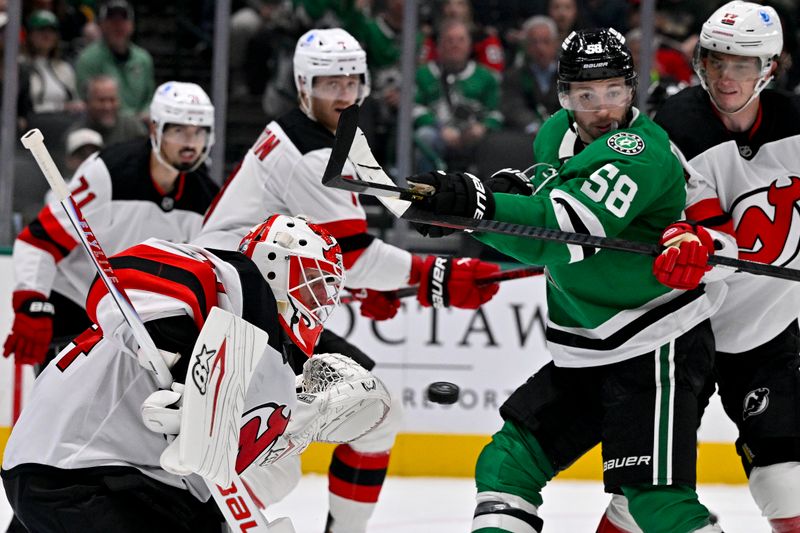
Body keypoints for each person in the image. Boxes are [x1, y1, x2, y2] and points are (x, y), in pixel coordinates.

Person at [405, 28, 730, 533]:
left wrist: (475, 208)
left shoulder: (639, 149)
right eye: (585, 95)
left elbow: (565, 232)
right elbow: (552, 182)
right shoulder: (555, 131)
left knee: (656, 504)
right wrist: (507, 191)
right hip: (585, 344)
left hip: (655, 344)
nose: (602, 109)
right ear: (564, 97)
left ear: (632, 90)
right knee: (506, 464)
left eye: (614, 92)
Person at [196, 27, 501, 533]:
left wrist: (369, 286)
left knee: (372, 416)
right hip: (245, 313)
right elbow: (353, 253)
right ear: (301, 86)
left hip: (251, 302)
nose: (342, 94)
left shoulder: (331, 137)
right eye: (327, 83)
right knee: (293, 451)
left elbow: (362, 224)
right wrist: (438, 274)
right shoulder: (313, 153)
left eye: (350, 81)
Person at [1, 214, 368, 533]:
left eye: (326, 290)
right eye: (314, 282)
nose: (320, 301)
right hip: (73, 469)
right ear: (274, 264)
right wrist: (181, 353)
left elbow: (214, 455)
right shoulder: (234, 283)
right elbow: (122, 277)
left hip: (134, 479)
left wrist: (301, 418)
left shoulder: (272, 363)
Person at [597, 3, 800, 532]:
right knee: (641, 494)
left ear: (770, 68)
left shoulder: (798, 127)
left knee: (787, 483)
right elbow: (715, 235)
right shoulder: (679, 126)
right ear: (701, 62)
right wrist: (693, 241)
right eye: (716, 61)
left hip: (768, 335)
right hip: (684, 332)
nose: (727, 76)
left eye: (743, 63)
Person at [2, 81, 219, 369]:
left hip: (133, 323)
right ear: (155, 129)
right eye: (179, 131)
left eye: (199, 132)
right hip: (74, 304)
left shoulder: (206, 197)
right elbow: (40, 240)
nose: (191, 143)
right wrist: (32, 304)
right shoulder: (108, 172)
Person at [414, 18, 503, 172]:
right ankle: (426, 188)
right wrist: (439, 128)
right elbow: (413, 108)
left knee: (496, 142)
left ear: (469, 46)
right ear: (439, 46)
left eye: (461, 40)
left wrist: (482, 128)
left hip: (473, 138)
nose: (455, 45)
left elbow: (496, 113)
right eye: (449, 40)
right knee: (425, 136)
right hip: (438, 134)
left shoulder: (486, 77)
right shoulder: (423, 74)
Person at [75, 0, 155, 118]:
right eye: (112, 21)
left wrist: (145, 113)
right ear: (101, 25)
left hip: (140, 125)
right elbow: (85, 100)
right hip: (103, 124)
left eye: (123, 20)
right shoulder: (88, 59)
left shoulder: (143, 59)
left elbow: (149, 99)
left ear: (131, 26)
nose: (118, 26)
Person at [66, 75, 148, 147]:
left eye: (112, 100)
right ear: (87, 103)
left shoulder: (132, 126)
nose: (107, 107)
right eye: (101, 100)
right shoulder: (76, 133)